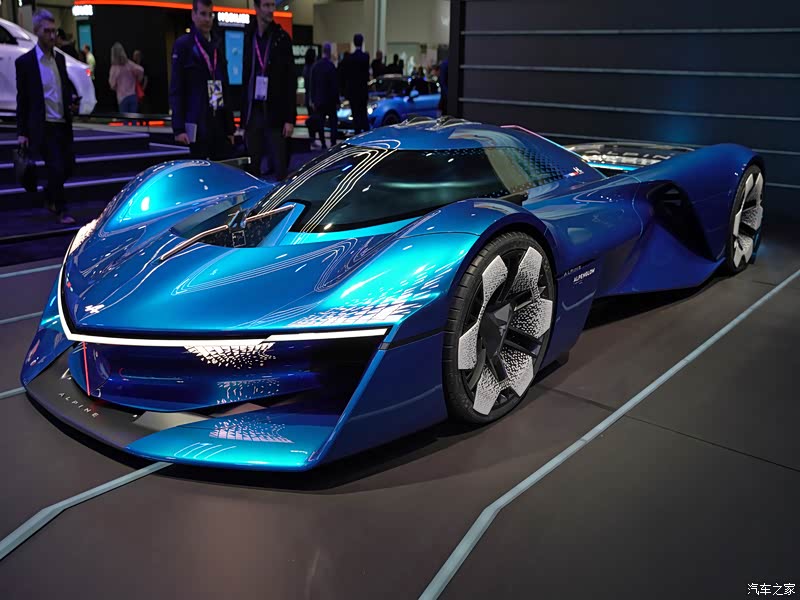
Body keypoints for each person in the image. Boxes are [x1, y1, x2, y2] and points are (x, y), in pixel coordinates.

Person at [16, 10, 79, 224]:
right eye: (47, 31)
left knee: (69, 165)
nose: (52, 36)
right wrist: (22, 132)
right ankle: (62, 209)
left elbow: (62, 88)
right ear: (37, 31)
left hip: (62, 122)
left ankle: (49, 196)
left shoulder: (59, 59)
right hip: (43, 125)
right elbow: (22, 99)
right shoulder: (26, 63)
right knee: (56, 167)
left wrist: (71, 100)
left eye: (54, 31)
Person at [169, 0, 235, 160]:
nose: (207, 19)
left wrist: (230, 128)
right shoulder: (183, 45)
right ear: (193, 15)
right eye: (203, 14)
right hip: (196, 123)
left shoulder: (217, 45)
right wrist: (178, 129)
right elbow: (176, 89)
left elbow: (225, 88)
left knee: (221, 169)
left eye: (210, 14)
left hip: (218, 122)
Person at [242, 0, 295, 180]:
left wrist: (290, 118)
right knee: (252, 168)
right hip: (254, 112)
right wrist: (244, 117)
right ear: (256, 8)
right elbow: (246, 76)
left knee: (280, 167)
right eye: (266, 5)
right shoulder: (249, 36)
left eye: (272, 5)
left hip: (276, 113)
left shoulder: (282, 38)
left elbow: (290, 80)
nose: (271, 10)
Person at [310, 43, 338, 149]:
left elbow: (312, 84)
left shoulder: (316, 66)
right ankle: (333, 143)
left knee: (320, 123)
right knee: (333, 123)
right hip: (330, 100)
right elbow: (335, 85)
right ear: (329, 52)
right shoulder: (331, 66)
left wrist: (313, 99)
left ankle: (323, 143)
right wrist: (337, 100)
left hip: (319, 100)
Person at [342, 33, 369, 134]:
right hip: (363, 91)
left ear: (354, 42)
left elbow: (347, 75)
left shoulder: (350, 58)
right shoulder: (365, 57)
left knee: (355, 115)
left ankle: (357, 134)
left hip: (353, 92)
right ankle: (366, 135)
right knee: (363, 115)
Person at [109, 43, 143, 114]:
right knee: (134, 119)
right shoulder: (129, 64)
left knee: (125, 119)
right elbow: (141, 70)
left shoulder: (114, 68)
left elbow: (112, 85)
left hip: (122, 97)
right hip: (133, 95)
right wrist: (138, 79)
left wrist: (116, 87)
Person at [302, 47, 323, 149]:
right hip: (312, 98)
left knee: (312, 119)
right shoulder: (312, 69)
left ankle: (312, 139)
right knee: (316, 120)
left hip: (308, 97)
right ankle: (315, 139)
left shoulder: (306, 68)